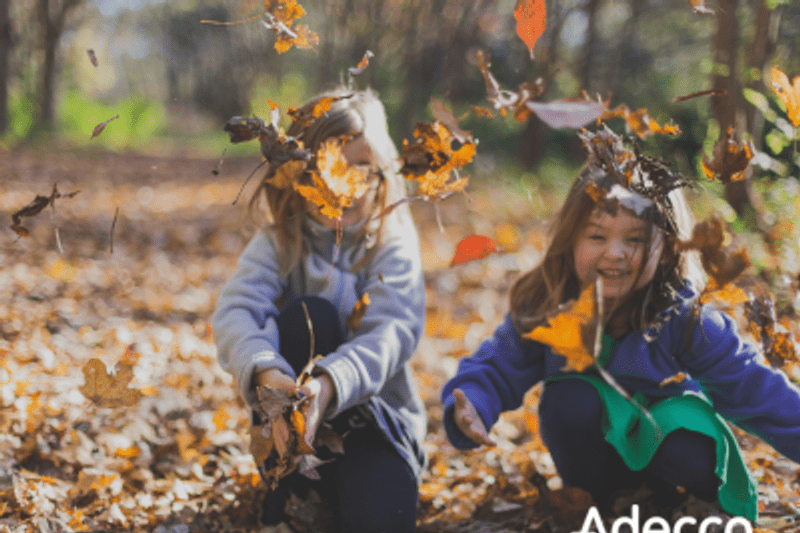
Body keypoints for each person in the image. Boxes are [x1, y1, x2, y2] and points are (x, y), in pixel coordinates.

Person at [440, 128, 800, 522]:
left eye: (635, 239)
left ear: (666, 249)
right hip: (596, 464)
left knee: (682, 433)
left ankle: (687, 511)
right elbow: (498, 365)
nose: (615, 253)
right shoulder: (549, 303)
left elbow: (754, 388)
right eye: (597, 235)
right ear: (571, 239)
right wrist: (473, 401)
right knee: (569, 398)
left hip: (674, 458)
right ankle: (602, 506)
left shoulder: (682, 316)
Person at [213, 88, 426, 532]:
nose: (341, 186)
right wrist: (267, 374)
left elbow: (391, 333)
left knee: (380, 520)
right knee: (309, 316)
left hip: (377, 428)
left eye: (359, 169)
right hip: (289, 433)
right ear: (296, 173)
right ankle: (290, 485)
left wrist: (329, 386)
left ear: (381, 172)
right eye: (324, 168)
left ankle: (363, 489)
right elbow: (237, 311)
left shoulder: (391, 246)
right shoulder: (279, 243)